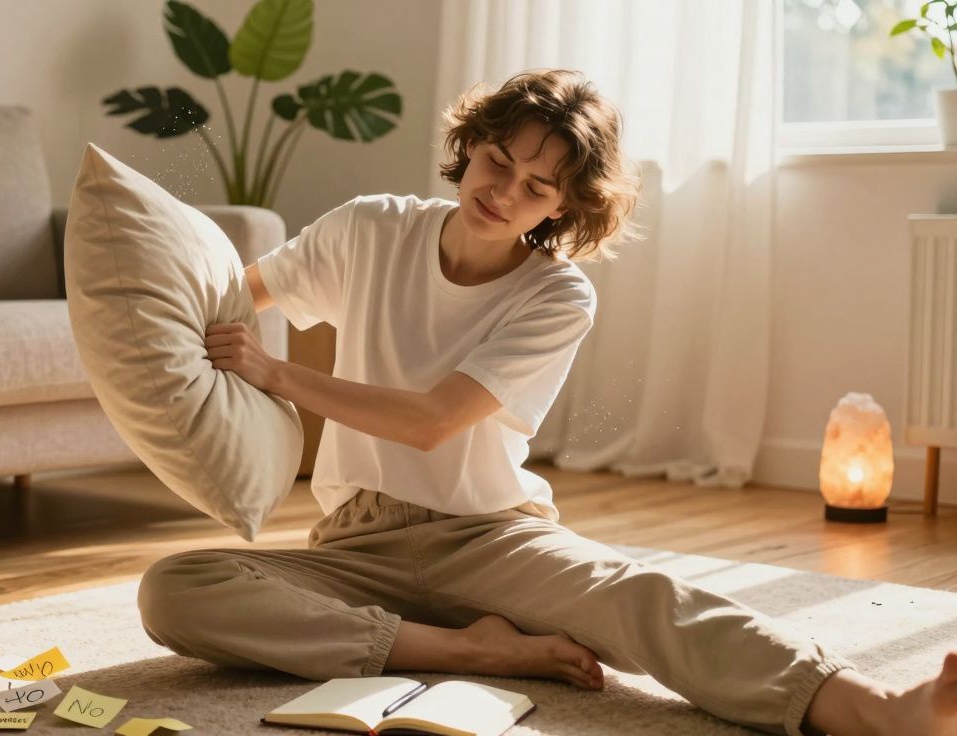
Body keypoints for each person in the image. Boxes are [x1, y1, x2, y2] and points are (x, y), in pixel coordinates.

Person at [137, 69, 957, 736]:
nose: (504, 192)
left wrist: (278, 376)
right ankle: (471, 651)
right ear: (471, 144)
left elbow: (432, 421)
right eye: (498, 161)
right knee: (175, 590)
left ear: (564, 207)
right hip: (355, 543)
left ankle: (877, 710)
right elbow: (235, 299)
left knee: (646, 600)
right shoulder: (369, 229)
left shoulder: (558, 295)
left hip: (489, 539)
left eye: (537, 187)